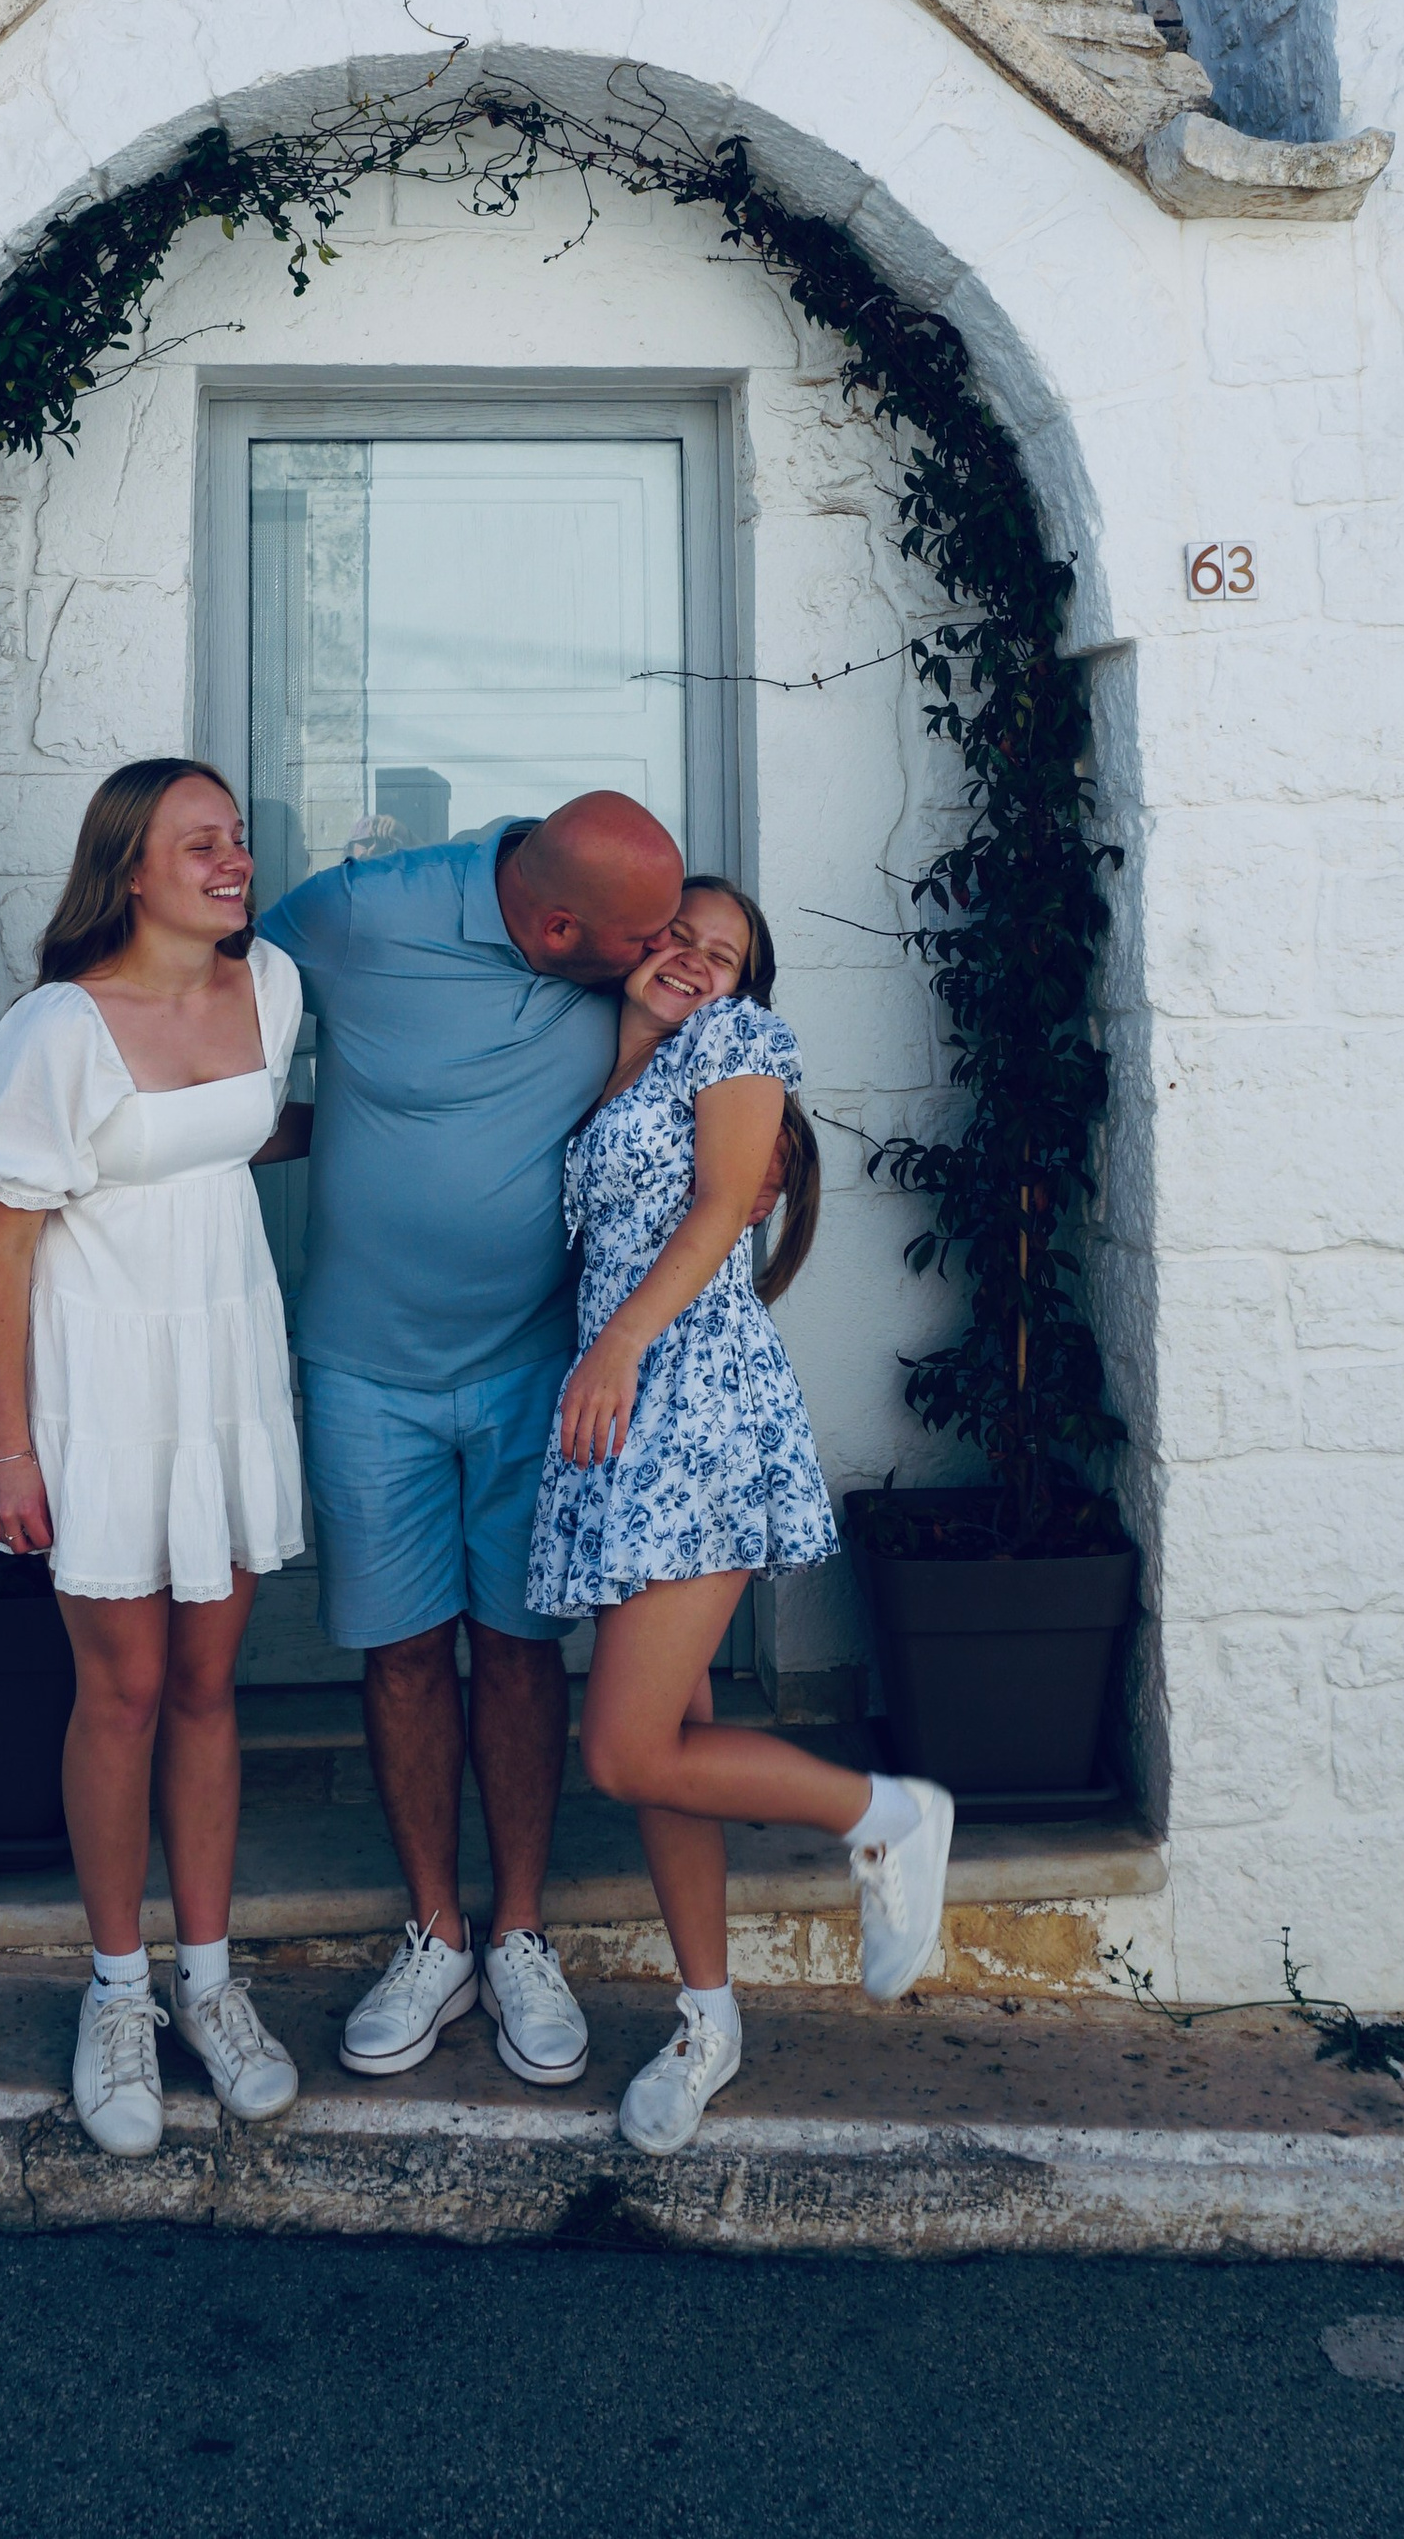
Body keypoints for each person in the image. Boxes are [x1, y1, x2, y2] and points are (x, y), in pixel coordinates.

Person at [255, 792, 685, 2089]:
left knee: (514, 1649)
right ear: (558, 930)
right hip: (364, 1375)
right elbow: (206, 1005)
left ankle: (520, 1935)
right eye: (637, 937)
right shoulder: (357, 915)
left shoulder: (628, 957)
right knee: (400, 1656)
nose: (660, 952)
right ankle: (434, 1932)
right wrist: (241, 1136)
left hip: (536, 1374)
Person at [0, 759, 311, 2156]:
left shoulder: (268, 988)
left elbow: (227, 1147)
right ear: (128, 870)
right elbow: (4, 1249)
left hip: (219, 1371)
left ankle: (211, 1984)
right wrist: (11, 1448)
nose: (232, 861)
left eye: (238, 840)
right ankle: (118, 1992)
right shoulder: (55, 1030)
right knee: (125, 1687)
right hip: (97, 1383)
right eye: (198, 843)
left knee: (211, 1685)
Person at [527, 878, 955, 2155]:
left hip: (686, 1398)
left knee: (618, 1750)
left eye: (724, 954)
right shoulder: (603, 1073)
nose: (696, 963)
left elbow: (721, 1209)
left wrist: (611, 1354)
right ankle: (707, 2021)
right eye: (678, 936)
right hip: (623, 1414)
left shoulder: (737, 1042)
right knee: (672, 1732)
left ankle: (887, 1815)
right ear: (629, 941)